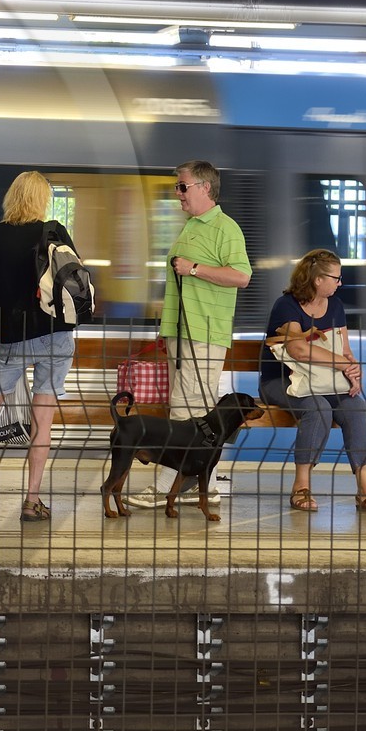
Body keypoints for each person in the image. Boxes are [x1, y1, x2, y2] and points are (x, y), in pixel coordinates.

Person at [125, 160, 252, 511]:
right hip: (185, 334)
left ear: (204, 188)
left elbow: (242, 276)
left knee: (186, 411)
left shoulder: (225, 228)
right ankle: (206, 485)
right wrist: (168, 331)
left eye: (182, 187)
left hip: (204, 334)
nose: (177, 193)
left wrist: (194, 268)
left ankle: (168, 484)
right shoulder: (192, 226)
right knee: (193, 410)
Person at [0, 171, 80, 523]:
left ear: (11, 196)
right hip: (56, 335)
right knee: (42, 421)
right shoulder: (54, 231)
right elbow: (73, 281)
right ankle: (32, 501)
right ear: (42, 198)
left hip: (13, 335)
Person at [262, 249, 366, 515]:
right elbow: (298, 350)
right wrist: (342, 364)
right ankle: (301, 487)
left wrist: (353, 371)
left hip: (326, 382)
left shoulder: (335, 306)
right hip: (283, 381)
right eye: (335, 277)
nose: (340, 283)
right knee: (318, 408)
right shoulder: (286, 305)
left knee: (356, 408)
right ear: (317, 279)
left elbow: (344, 349)